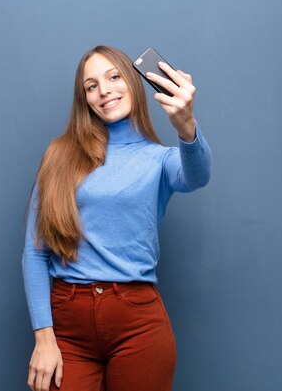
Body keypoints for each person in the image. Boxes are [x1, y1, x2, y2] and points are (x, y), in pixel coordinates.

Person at [21, 45, 212, 391]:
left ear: (134, 82)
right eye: (91, 86)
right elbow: (35, 252)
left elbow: (198, 175)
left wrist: (187, 127)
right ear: (85, 99)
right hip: (68, 324)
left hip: (138, 322)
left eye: (113, 77)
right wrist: (44, 338)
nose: (104, 90)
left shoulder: (160, 160)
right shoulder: (60, 155)